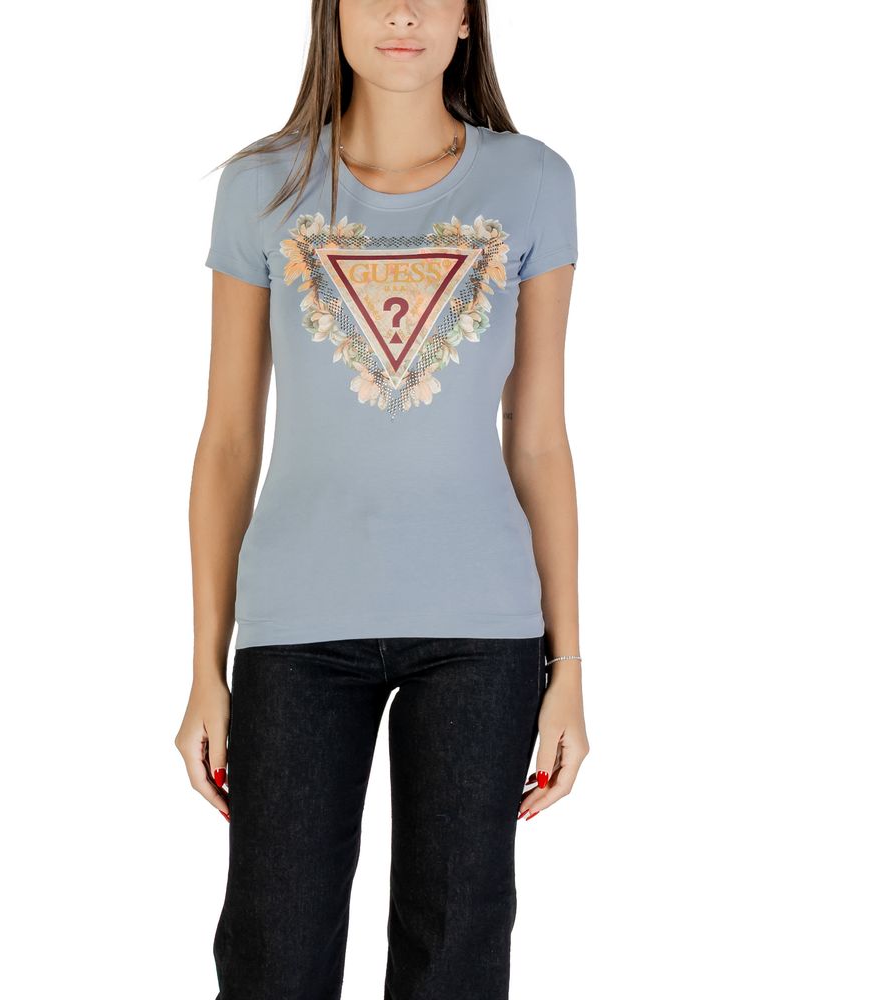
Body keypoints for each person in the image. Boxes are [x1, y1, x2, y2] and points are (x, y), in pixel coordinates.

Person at [174, 2, 591, 997]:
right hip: (295, 628)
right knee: (273, 953)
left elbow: (538, 435)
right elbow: (228, 439)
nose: (401, 11)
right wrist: (204, 668)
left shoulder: (533, 182)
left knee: (456, 955)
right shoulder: (262, 187)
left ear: (466, 19)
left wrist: (568, 665)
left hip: (482, 631)